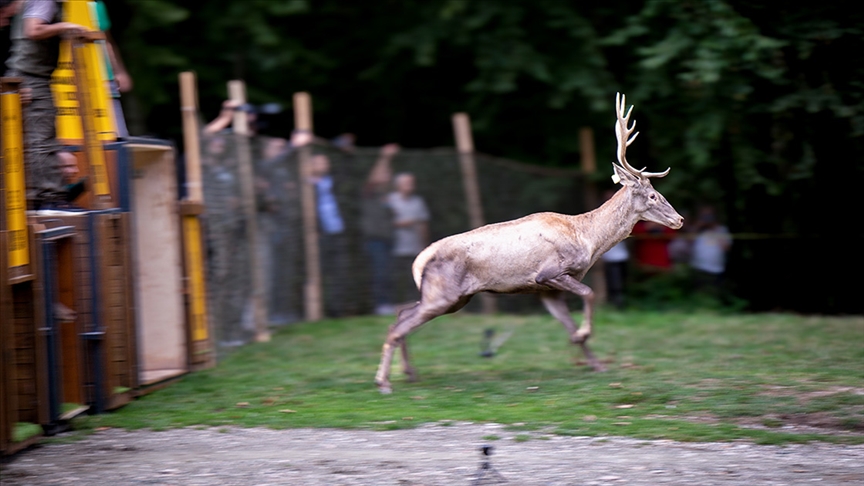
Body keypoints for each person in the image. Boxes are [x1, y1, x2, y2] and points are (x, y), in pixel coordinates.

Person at [5, 0, 88, 209]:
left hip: (29, 76)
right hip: (32, 77)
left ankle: (44, 197)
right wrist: (67, 26)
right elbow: (34, 30)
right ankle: (49, 199)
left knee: (38, 139)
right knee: (41, 140)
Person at [309, 152, 350, 317]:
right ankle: (320, 310)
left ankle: (337, 309)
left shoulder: (333, 182)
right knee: (320, 272)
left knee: (338, 271)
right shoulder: (306, 185)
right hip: (319, 235)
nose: (325, 166)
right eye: (320, 162)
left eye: (326, 162)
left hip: (336, 232)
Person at [361, 143, 399, 315]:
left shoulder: (388, 197)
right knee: (379, 273)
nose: (386, 176)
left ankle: (387, 303)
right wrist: (385, 157)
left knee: (387, 273)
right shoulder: (370, 193)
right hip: (375, 240)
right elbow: (374, 179)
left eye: (389, 174)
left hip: (389, 239)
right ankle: (380, 305)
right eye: (384, 174)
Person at [388, 172, 430, 306]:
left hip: (414, 247)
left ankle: (415, 303)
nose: (410, 185)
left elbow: (423, 223)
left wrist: (425, 245)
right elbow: (382, 222)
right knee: (396, 277)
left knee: (415, 276)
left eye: (412, 182)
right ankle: (396, 303)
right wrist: (401, 223)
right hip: (394, 247)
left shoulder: (418, 202)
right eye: (407, 183)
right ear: (398, 185)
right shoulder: (390, 200)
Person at [92, 0, 132, 137]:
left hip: (104, 79)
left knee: (118, 136)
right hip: (76, 82)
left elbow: (107, 41)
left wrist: (119, 71)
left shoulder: (97, 5)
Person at [689, 205, 732, 296]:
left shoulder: (722, 230)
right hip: (698, 267)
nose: (707, 219)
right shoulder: (698, 230)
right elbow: (687, 242)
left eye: (709, 216)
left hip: (716, 269)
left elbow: (727, 248)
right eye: (704, 216)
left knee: (715, 294)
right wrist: (697, 226)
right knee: (699, 294)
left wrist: (715, 229)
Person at [599, 190, 628, 309]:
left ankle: (620, 302)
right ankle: (616, 303)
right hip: (609, 256)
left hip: (621, 255)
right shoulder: (602, 215)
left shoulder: (622, 213)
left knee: (621, 280)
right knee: (613, 282)